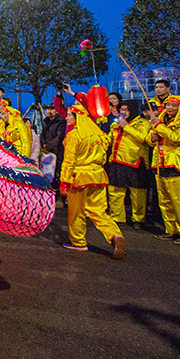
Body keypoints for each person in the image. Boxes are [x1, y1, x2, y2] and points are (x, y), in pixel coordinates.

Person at [60, 103, 126, 259]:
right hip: (98, 175)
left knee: (76, 212)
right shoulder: (99, 135)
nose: (67, 118)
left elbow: (69, 160)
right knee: (98, 211)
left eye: (69, 115)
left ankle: (78, 242)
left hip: (79, 176)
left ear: (77, 118)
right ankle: (115, 234)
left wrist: (64, 181)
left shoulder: (75, 135)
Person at [148, 95, 180, 245]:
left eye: (174, 105)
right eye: (168, 105)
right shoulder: (162, 121)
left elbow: (176, 137)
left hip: (177, 165)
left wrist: (158, 126)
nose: (170, 108)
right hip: (160, 164)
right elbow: (151, 140)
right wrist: (152, 137)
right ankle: (171, 230)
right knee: (165, 201)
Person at [105, 101, 152, 228]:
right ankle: (117, 217)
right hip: (117, 160)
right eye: (121, 109)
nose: (123, 112)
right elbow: (110, 140)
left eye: (126, 109)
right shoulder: (115, 124)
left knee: (138, 192)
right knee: (115, 190)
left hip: (135, 161)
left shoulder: (143, 123)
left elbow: (143, 138)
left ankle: (138, 219)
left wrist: (126, 126)